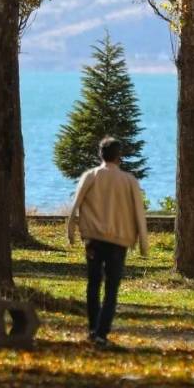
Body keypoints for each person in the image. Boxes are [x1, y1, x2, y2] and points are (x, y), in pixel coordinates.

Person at [66, 136, 149, 348]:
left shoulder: (90, 176)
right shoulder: (129, 181)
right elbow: (139, 213)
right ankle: (102, 333)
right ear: (119, 156)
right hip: (119, 241)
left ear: (100, 154)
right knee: (112, 288)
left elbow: (75, 204)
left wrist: (71, 231)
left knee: (93, 284)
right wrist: (143, 244)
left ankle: (93, 328)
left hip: (93, 238)